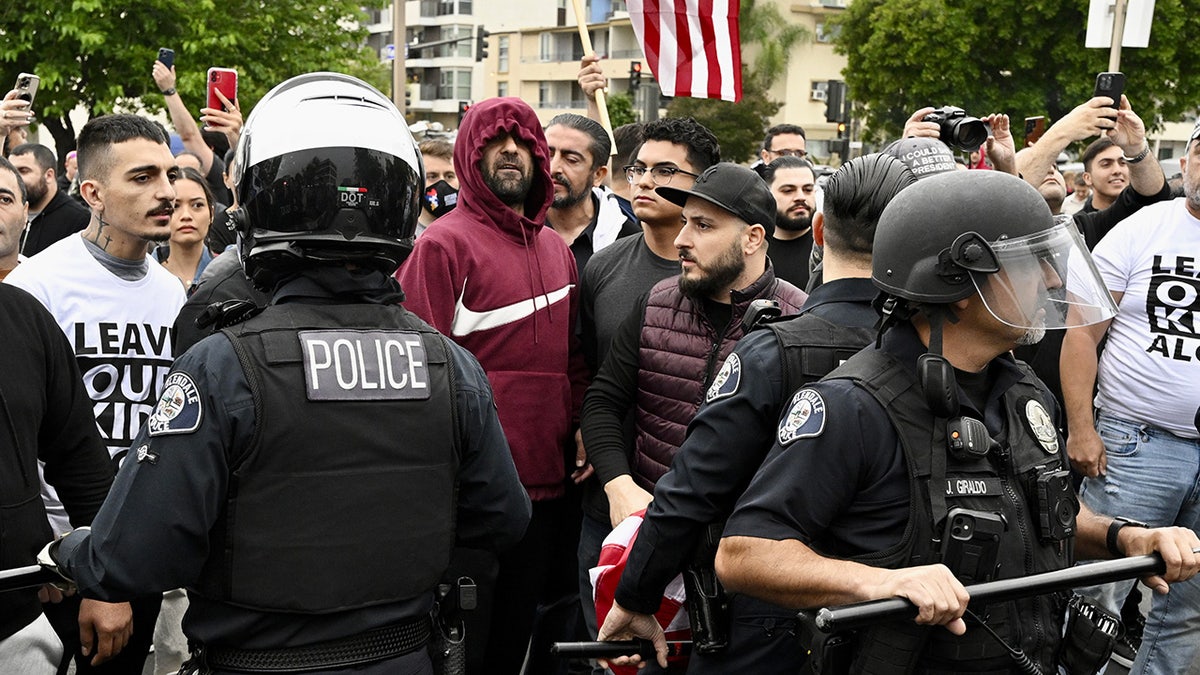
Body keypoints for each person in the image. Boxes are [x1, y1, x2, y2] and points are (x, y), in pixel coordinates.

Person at [36, 71, 532, 675]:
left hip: (259, 661)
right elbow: (503, 517)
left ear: (263, 206)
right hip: (406, 656)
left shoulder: (223, 365)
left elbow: (132, 554)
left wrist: (67, 552)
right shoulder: (450, 365)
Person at [711, 170, 1200, 673]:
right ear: (960, 284)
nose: (1053, 279)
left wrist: (1127, 537)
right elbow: (744, 554)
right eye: (1030, 261)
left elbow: (1038, 515)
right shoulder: (853, 406)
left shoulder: (1025, 392)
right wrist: (880, 582)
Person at [595, 154, 916, 673]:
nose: (683, 240)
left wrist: (635, 597)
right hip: (895, 612)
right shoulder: (934, 351)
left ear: (814, 230)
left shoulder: (774, 346)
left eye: (703, 225)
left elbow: (692, 490)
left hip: (772, 617)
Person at [397, 95, 588, 673]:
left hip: (548, 490)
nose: (511, 151)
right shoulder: (441, 244)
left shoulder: (558, 250)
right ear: (468, 155)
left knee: (512, 648)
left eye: (524, 141)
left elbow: (574, 359)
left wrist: (579, 422)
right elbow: (416, 367)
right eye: (494, 141)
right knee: (461, 654)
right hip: (469, 497)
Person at [5, 113, 187, 675]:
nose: (167, 192)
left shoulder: (175, 295)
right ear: (93, 193)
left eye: (170, 173)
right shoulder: (34, 289)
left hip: (138, 547)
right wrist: (51, 557)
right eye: (142, 177)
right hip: (50, 566)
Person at [1060, 118, 1200, 674]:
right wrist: (1081, 427)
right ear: (1184, 161)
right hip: (1135, 443)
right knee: (1099, 595)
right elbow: (1081, 334)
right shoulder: (1143, 229)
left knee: (1189, 608)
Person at [0, 156, 117, 673]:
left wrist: (104, 583)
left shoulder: (27, 319)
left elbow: (82, 465)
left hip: (15, 620)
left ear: (25, 216)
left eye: (3, 198)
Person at [544, 112, 638, 272]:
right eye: (547, 154)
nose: (553, 168)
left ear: (598, 175)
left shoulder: (628, 242)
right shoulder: (513, 228)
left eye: (571, 160)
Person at [152, 56, 236, 205]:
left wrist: (169, 90)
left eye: (192, 172)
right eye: (174, 174)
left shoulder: (219, 183)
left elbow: (189, 136)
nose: (184, 177)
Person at [8, 143, 90, 256]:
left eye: (23, 171)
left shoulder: (80, 221)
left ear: (49, 175)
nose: (15, 179)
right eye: (12, 172)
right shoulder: (7, 213)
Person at [761, 156, 817, 289]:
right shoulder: (751, 248)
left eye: (808, 189)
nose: (800, 197)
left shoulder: (830, 248)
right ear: (767, 195)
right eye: (788, 191)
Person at [156, 166, 214, 291]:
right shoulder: (143, 276)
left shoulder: (228, 273)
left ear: (212, 214)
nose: (186, 216)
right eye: (175, 206)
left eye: (197, 205)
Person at [416, 138, 458, 236]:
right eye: (432, 176)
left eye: (449, 176)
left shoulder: (470, 230)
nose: (442, 183)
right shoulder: (406, 234)